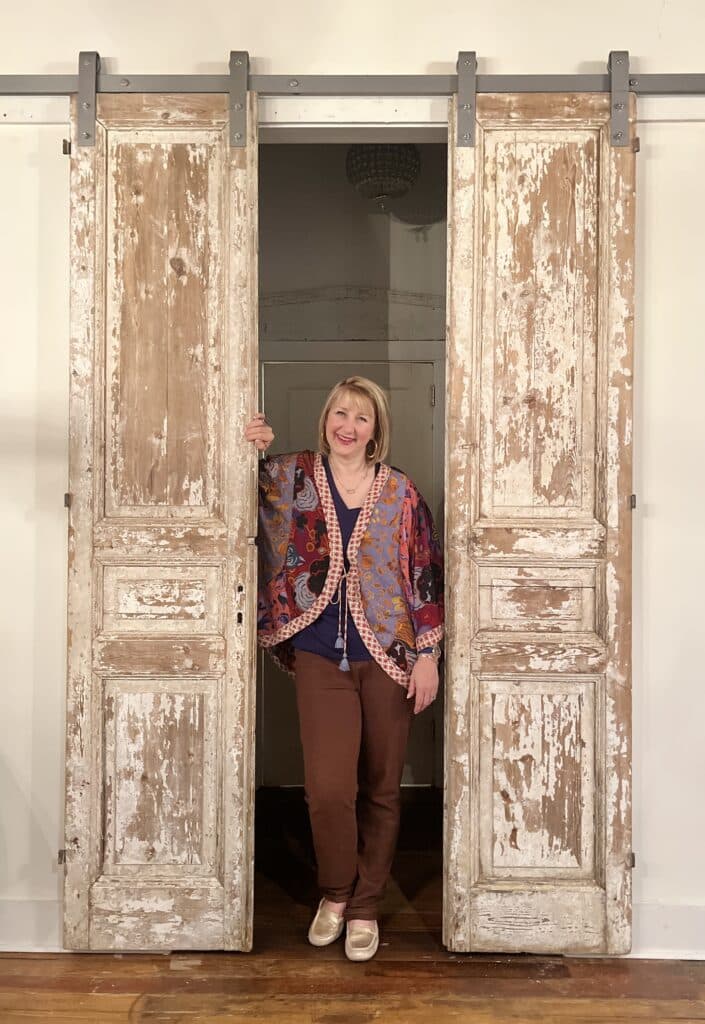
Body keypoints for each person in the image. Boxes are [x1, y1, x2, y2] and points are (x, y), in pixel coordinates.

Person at [245, 375, 444, 962]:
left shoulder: (402, 494)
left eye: (360, 417)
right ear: (325, 419)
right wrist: (249, 444)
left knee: (382, 787)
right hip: (319, 656)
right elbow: (240, 493)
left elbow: (423, 571)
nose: (347, 426)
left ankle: (365, 907)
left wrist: (427, 653)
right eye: (339, 413)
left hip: (389, 655)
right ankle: (335, 893)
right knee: (329, 790)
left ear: (376, 429)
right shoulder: (294, 475)